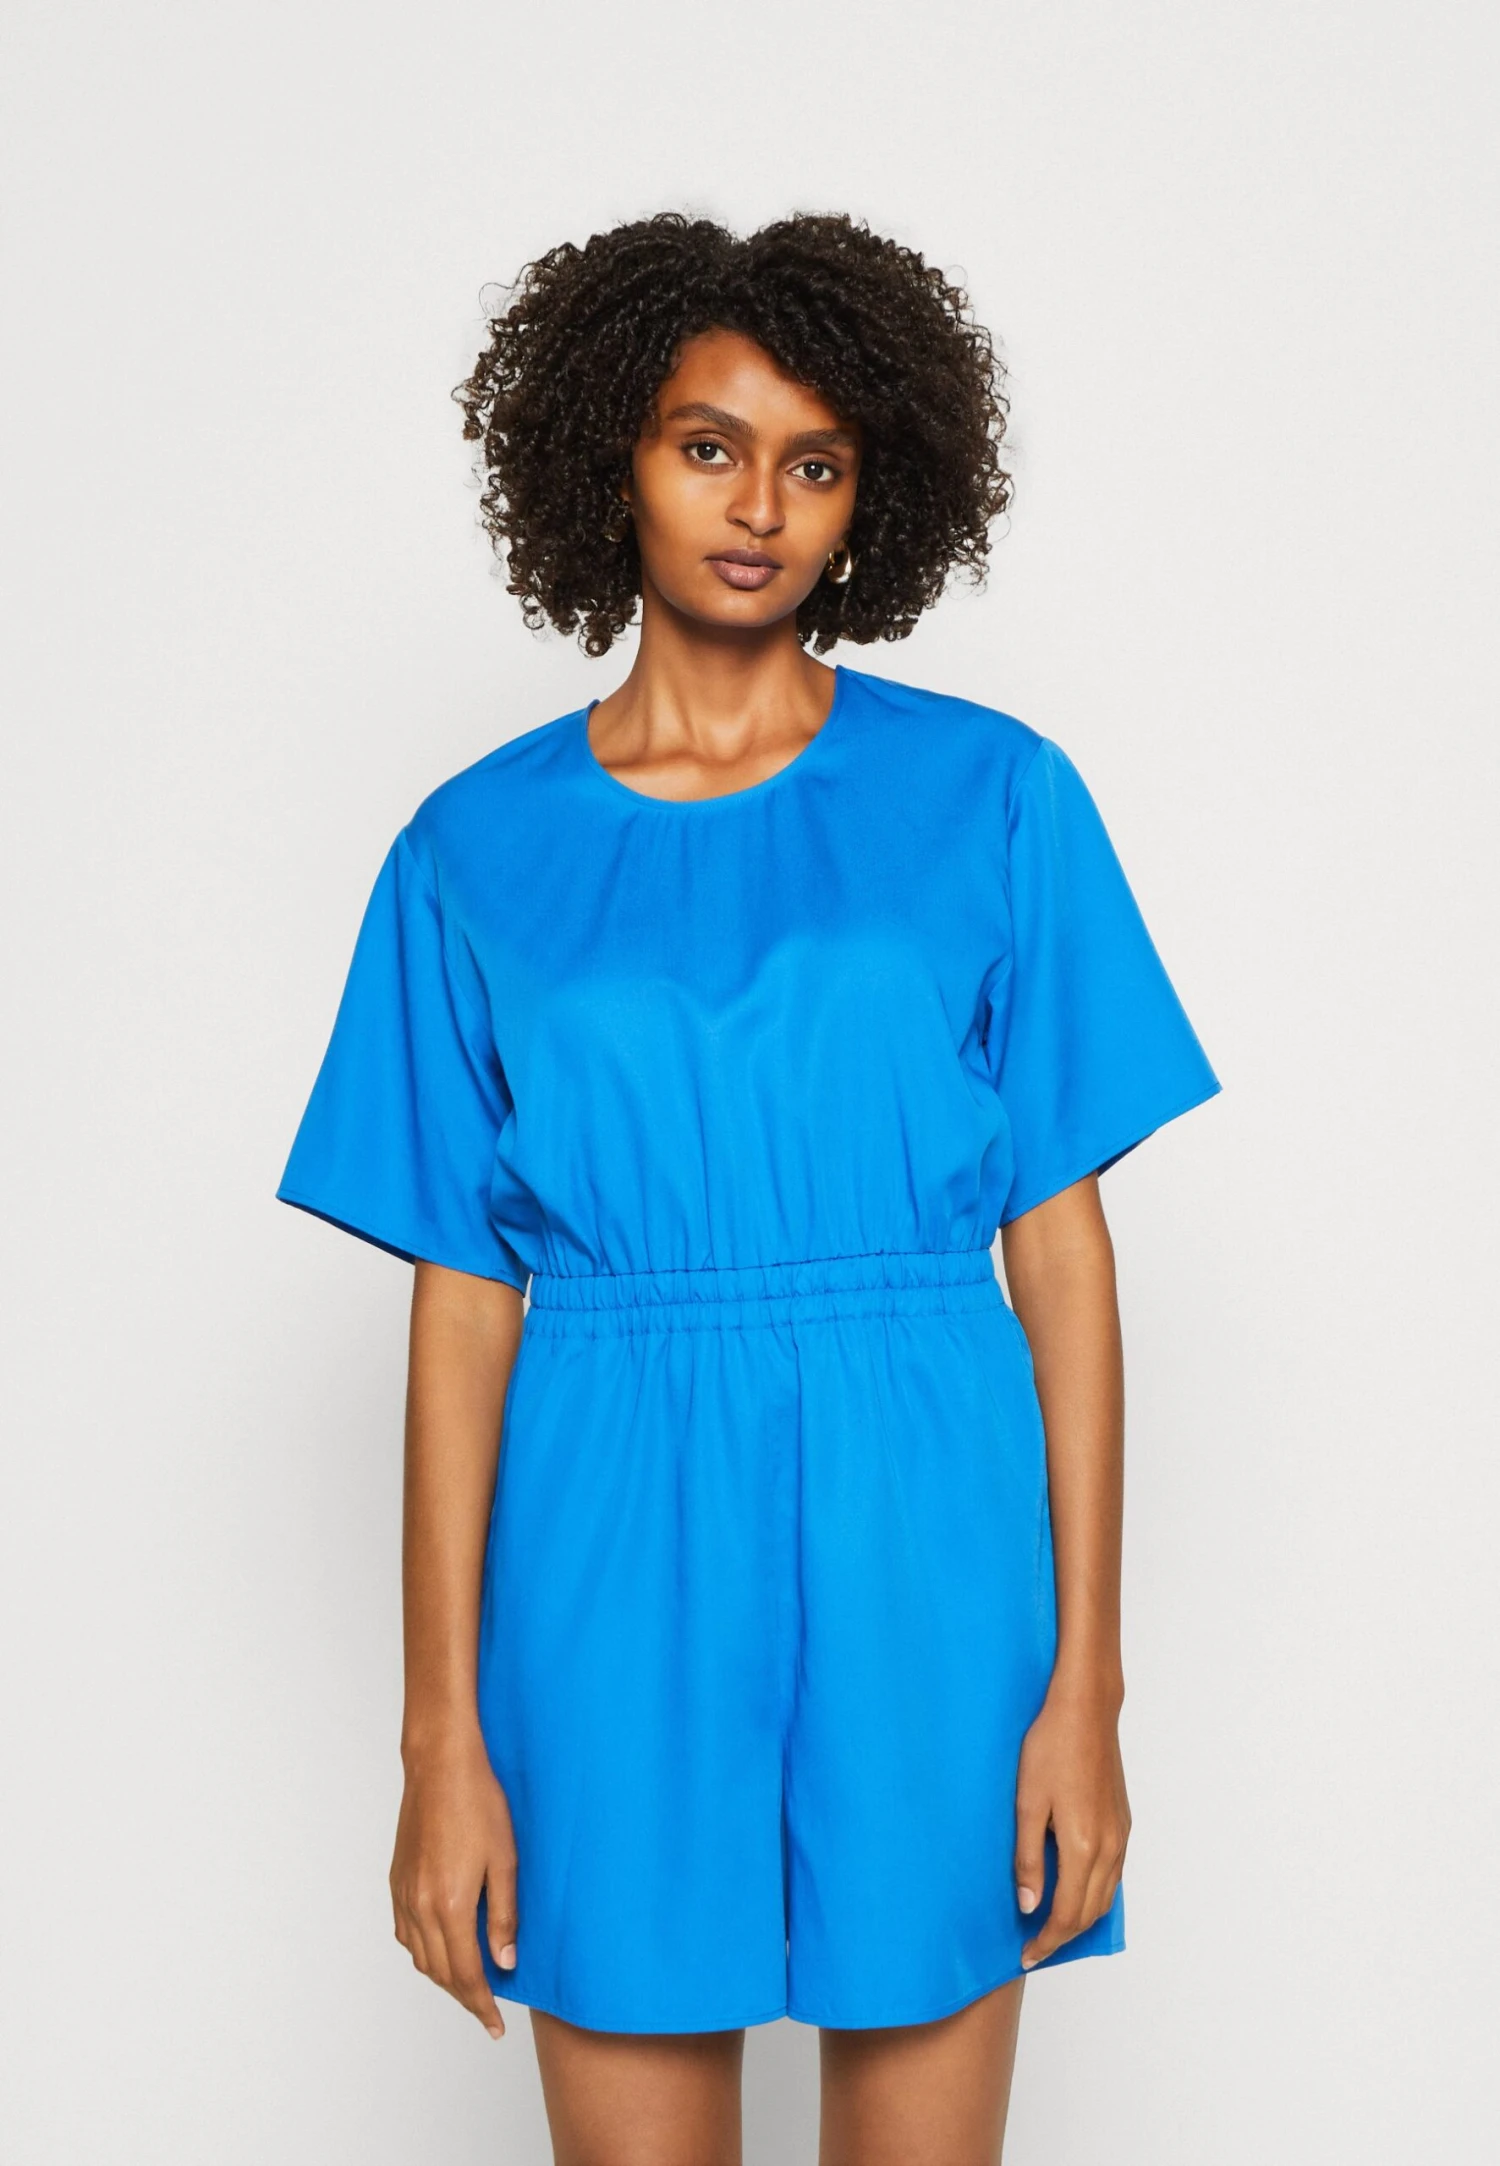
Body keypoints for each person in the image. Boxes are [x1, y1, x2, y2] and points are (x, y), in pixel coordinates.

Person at [275, 210, 1220, 2165]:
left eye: (816, 461)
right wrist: (440, 1738)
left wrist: (1089, 1689)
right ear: (609, 458)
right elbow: (462, 1307)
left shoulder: (994, 796)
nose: (759, 506)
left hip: (925, 1511)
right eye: (708, 446)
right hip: (608, 1510)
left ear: (876, 494)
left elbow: (1063, 1257)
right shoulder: (472, 850)